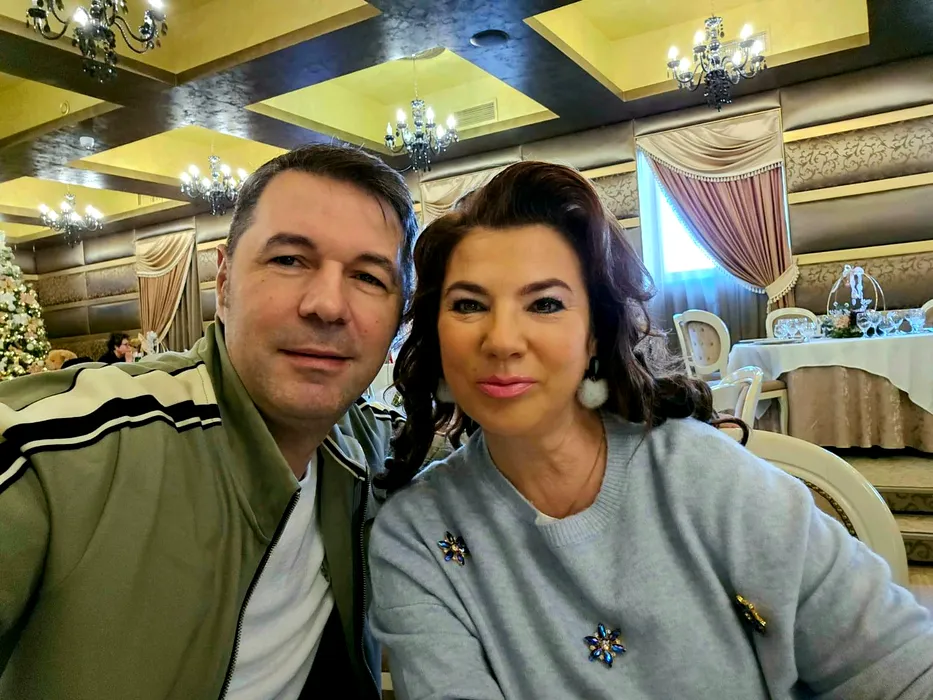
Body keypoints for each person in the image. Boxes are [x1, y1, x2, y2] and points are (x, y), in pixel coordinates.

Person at [369, 161, 933, 699]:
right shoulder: (418, 535)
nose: (501, 341)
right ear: (436, 331)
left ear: (595, 332)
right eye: (469, 305)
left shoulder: (701, 474)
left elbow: (901, 667)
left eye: (544, 304)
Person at [0, 143, 417, 700]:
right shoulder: (62, 451)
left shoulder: (368, 447)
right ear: (223, 284)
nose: (327, 305)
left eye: (368, 277)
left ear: (399, 317)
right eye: (289, 260)